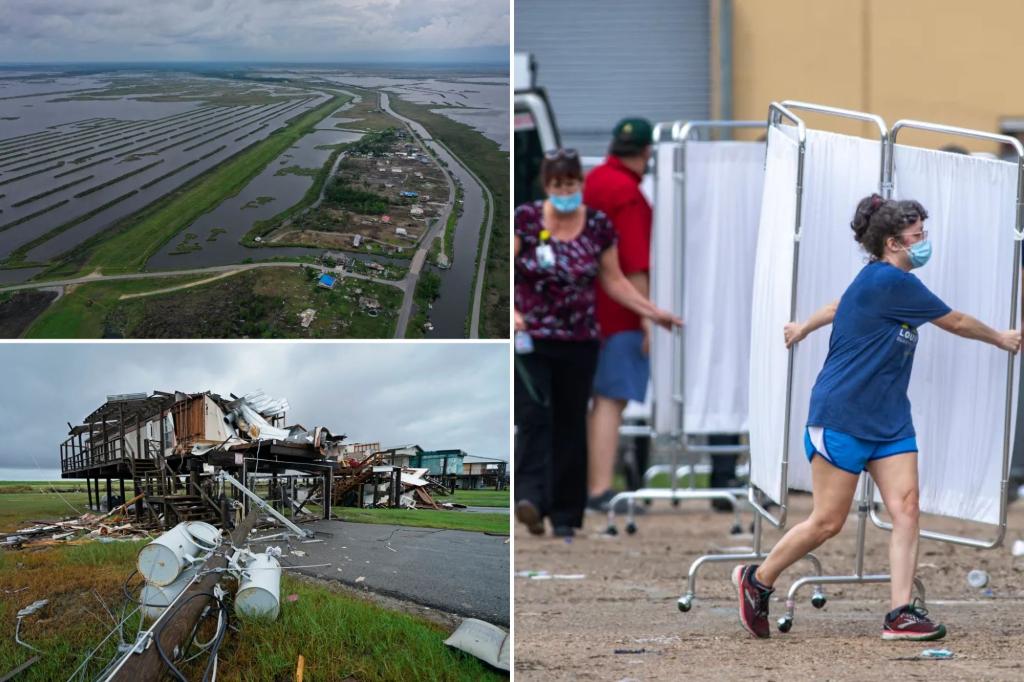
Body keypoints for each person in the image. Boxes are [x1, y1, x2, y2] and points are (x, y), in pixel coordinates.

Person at [734, 194, 1021, 640]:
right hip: (841, 415)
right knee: (828, 521)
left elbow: (836, 306)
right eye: (917, 236)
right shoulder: (891, 282)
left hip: (889, 420)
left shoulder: (874, 279)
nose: (924, 243)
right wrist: (1002, 338)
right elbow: (958, 321)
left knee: (906, 508)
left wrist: (805, 326)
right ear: (892, 243)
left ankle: (900, 613)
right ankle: (757, 580)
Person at [514, 148, 681, 538]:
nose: (564, 190)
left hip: (581, 340)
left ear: (581, 184)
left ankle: (567, 517)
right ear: (547, 185)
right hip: (532, 340)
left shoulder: (599, 225)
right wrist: (512, 312)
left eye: (571, 183)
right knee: (536, 419)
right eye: (557, 184)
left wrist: (651, 312)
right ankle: (532, 500)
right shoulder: (526, 219)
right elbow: (509, 268)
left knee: (572, 425)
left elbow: (615, 279)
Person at [582, 118, 655, 513]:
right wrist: (646, 316)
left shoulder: (594, 180)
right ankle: (599, 490)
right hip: (620, 312)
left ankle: (589, 485)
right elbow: (635, 263)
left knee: (595, 400)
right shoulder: (628, 194)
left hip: (587, 307)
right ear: (647, 151)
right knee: (611, 401)